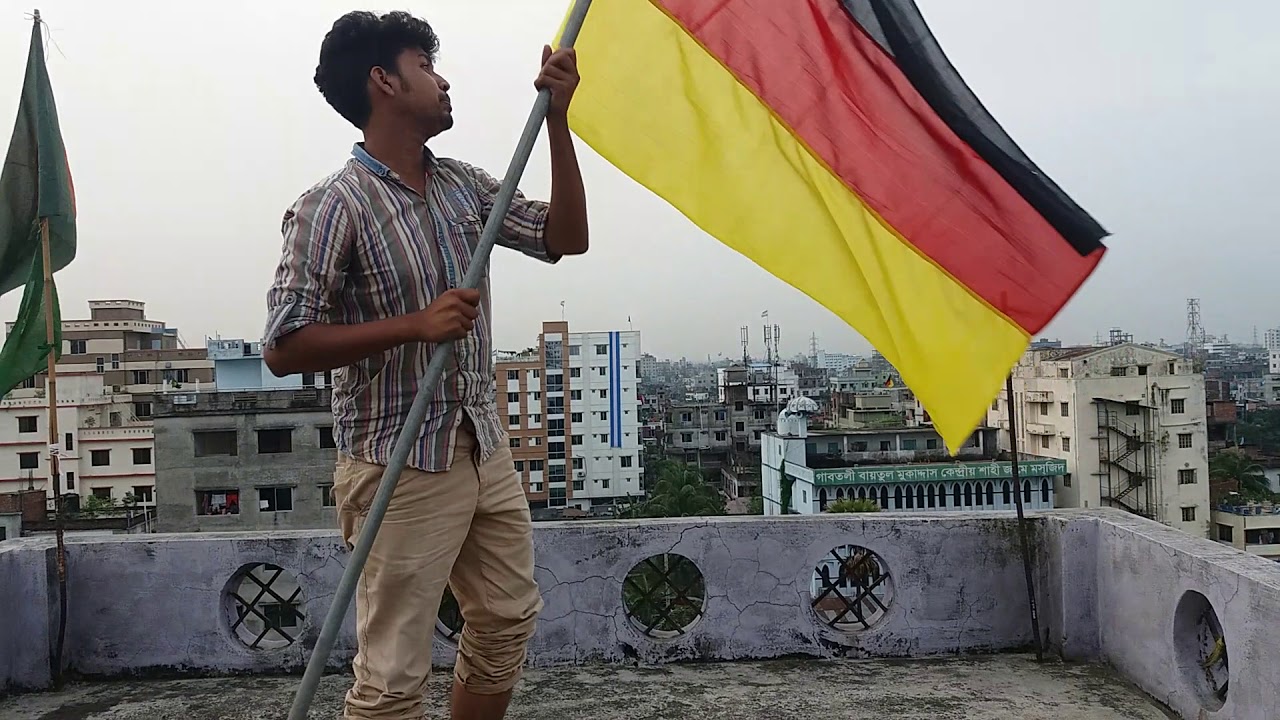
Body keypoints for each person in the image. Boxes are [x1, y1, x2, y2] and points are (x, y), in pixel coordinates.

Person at [261, 11, 587, 720]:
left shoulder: (465, 187)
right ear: (384, 81)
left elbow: (566, 236)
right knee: (392, 674)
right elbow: (283, 346)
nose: (443, 82)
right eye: (425, 66)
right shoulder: (330, 207)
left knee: (505, 619)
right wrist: (416, 325)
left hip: (482, 446)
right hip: (397, 461)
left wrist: (559, 121)